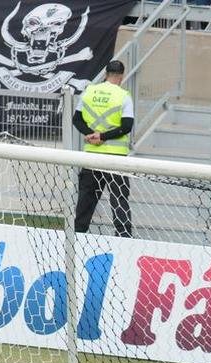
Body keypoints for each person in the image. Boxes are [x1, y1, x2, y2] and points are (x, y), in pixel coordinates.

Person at [73, 60, 134, 238]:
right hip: (116, 159)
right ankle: (124, 238)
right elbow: (126, 126)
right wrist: (103, 137)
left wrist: (91, 135)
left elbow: (77, 119)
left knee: (86, 200)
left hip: (92, 157)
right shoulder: (123, 96)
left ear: (106, 74)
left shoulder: (89, 92)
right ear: (121, 76)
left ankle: (77, 236)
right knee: (119, 201)